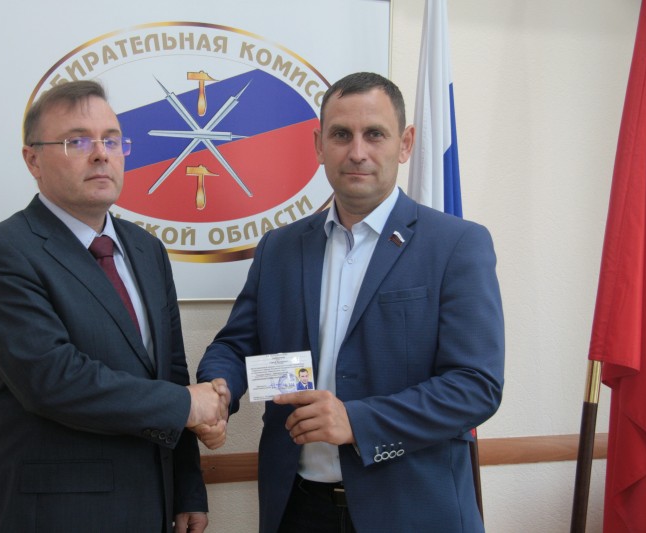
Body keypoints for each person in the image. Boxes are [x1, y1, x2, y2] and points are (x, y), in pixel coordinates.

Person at [196, 72, 505, 533]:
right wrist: (218, 391)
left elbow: (476, 385)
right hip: (297, 510)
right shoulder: (280, 248)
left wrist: (357, 421)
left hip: (411, 512)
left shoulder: (456, 245)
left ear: (405, 144)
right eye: (341, 135)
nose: (357, 152)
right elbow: (238, 346)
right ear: (319, 145)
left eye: (374, 134)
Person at [0, 80, 227, 533]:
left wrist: (187, 488)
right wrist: (188, 405)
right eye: (78, 142)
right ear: (32, 160)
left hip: (152, 506)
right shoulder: (2, 254)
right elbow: (54, 380)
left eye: (112, 140)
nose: (101, 154)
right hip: (52, 516)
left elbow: (170, 372)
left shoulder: (146, 250)